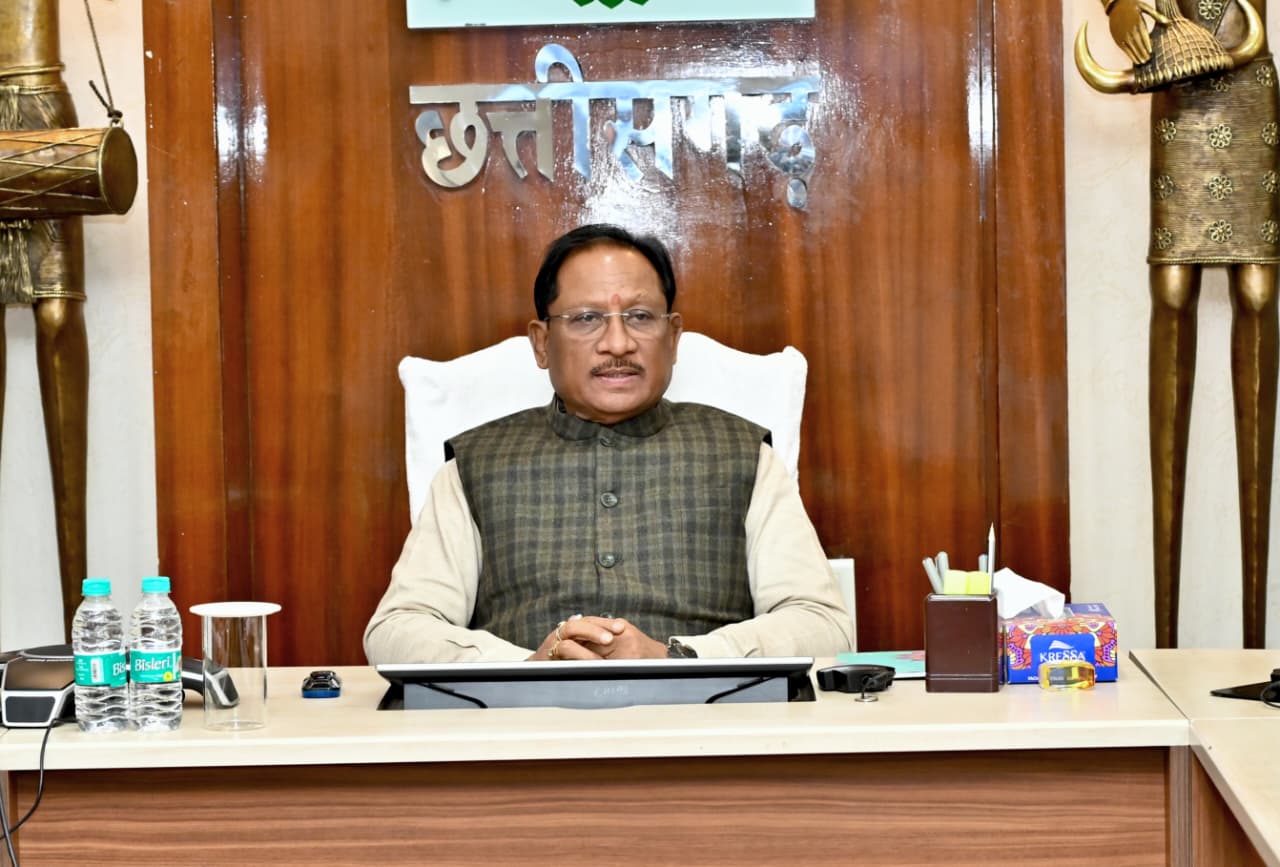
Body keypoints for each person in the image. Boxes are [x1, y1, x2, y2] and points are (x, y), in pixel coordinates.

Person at [364, 224, 853, 663]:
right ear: (541, 343)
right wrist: (525, 667)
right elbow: (397, 628)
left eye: (640, 316)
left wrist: (676, 657)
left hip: (703, 723)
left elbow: (823, 625)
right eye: (586, 318)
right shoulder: (476, 463)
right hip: (522, 726)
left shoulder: (743, 454)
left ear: (673, 337)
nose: (618, 344)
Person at [1080, 0, 1278, 647]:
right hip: (1176, 76)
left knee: (1257, 292)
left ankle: (1257, 647)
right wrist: (1121, 8)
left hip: (1249, 77)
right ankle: (1166, 643)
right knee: (1171, 289)